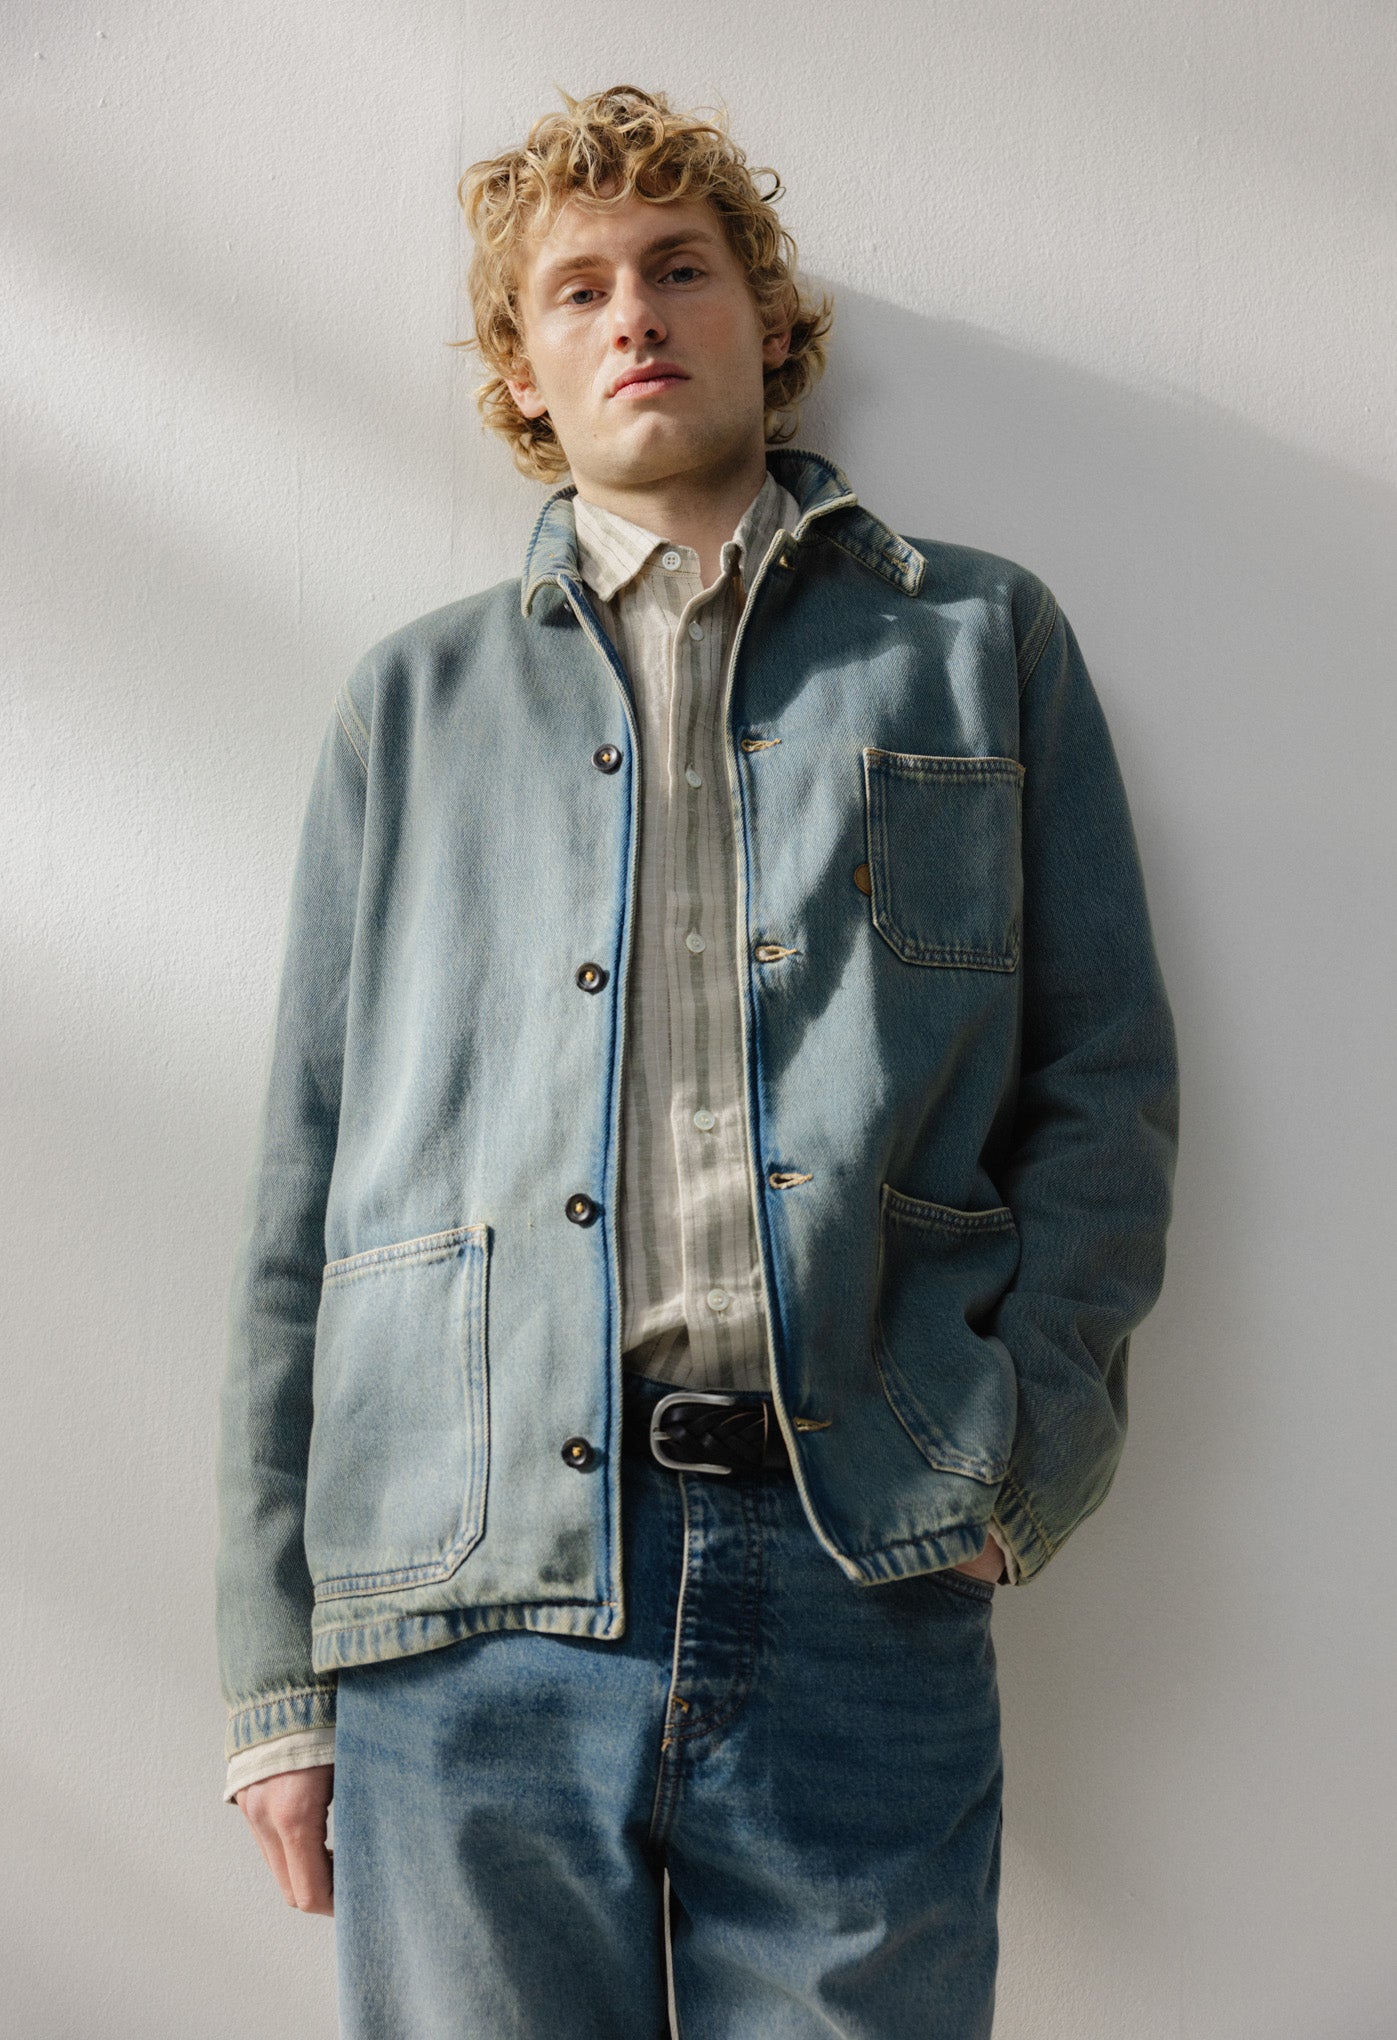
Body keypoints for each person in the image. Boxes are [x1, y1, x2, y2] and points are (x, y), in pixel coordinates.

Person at [216, 83, 1179, 2039]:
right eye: (575, 290)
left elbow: (1104, 1082)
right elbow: (304, 1187)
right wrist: (272, 1679)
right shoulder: (410, 706)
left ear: (767, 315)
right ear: (523, 371)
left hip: (860, 1563)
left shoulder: (974, 642)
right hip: (465, 1608)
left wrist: (1029, 1454)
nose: (634, 313)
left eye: (678, 267)